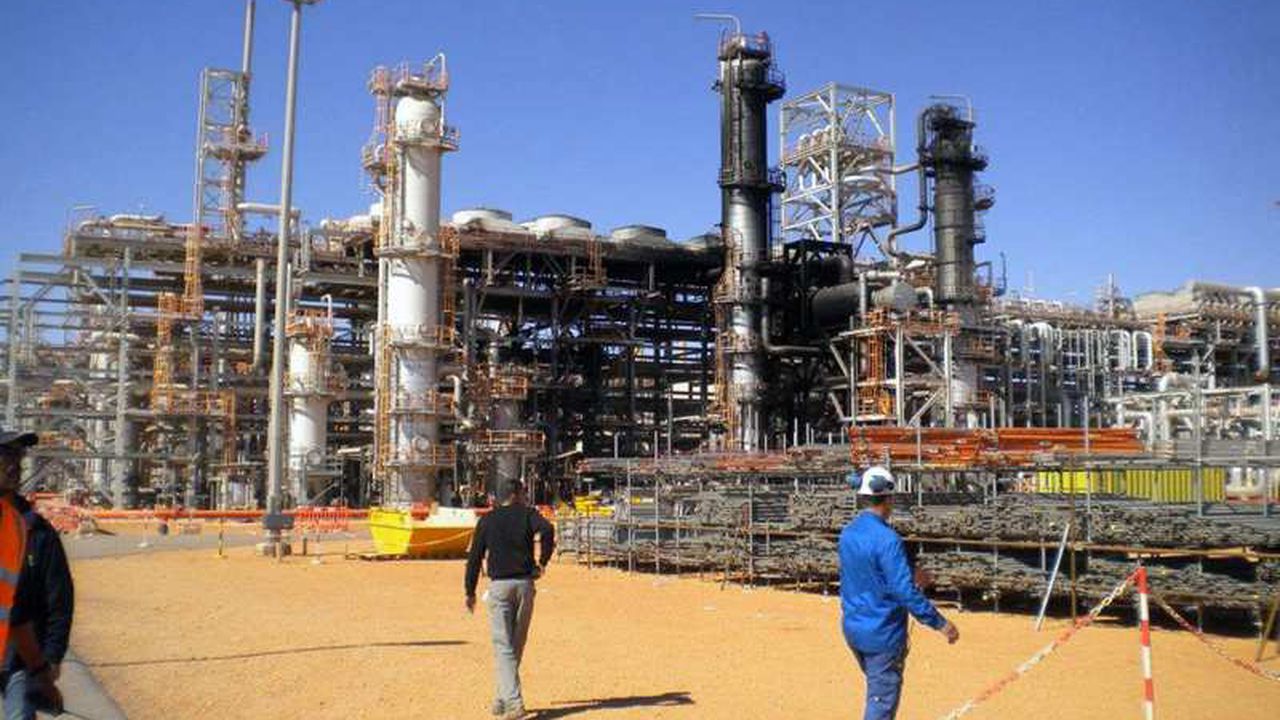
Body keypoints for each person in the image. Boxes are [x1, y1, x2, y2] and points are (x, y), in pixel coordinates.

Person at [839, 466, 959, 720]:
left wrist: (908, 570)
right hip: (882, 633)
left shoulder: (848, 533)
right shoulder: (888, 539)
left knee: (878, 689)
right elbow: (903, 590)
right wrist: (940, 623)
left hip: (854, 628)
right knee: (881, 702)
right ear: (889, 498)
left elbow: (866, 572)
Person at [464, 479, 555, 720]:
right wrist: (542, 562)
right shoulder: (527, 514)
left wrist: (470, 591)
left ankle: (513, 702)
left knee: (503, 646)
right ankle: (502, 697)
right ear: (516, 494)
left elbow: (475, 557)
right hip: (525, 585)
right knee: (515, 644)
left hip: (500, 587)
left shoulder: (488, 520)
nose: (526, 497)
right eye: (524, 493)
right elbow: (548, 530)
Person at [0, 430, 63, 717]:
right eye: (6, 455)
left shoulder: (21, 526)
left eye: (18, 456)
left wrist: (44, 666)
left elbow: (21, 608)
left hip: (14, 660)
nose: (15, 464)